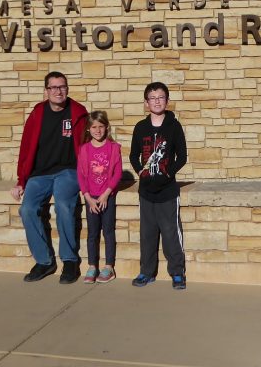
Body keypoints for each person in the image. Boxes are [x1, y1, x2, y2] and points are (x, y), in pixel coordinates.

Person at [10, 71, 87, 284]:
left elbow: (88, 146)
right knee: (26, 209)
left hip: (68, 171)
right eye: (53, 87)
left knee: (63, 205)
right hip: (40, 174)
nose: (58, 91)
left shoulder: (78, 112)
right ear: (46, 91)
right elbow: (25, 148)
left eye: (61, 86)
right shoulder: (37, 114)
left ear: (67, 89)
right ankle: (44, 261)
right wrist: (21, 180)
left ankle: (70, 260)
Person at [129, 82, 188, 290]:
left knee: (171, 233)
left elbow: (182, 156)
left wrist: (169, 172)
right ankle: (147, 271)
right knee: (147, 234)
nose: (156, 101)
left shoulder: (174, 126)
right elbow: (133, 155)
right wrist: (140, 172)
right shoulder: (140, 127)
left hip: (168, 191)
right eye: (152, 98)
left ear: (167, 101)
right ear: (146, 103)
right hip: (146, 192)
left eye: (160, 97)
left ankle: (177, 273)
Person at [77, 110, 122, 284]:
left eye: (101, 126)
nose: (97, 130)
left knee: (108, 231)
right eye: (94, 127)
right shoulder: (84, 150)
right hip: (91, 198)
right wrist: (88, 197)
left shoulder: (114, 148)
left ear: (106, 127)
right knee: (92, 233)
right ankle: (92, 265)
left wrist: (105, 194)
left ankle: (109, 266)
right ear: (88, 129)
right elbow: (81, 175)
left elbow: (117, 173)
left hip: (106, 197)